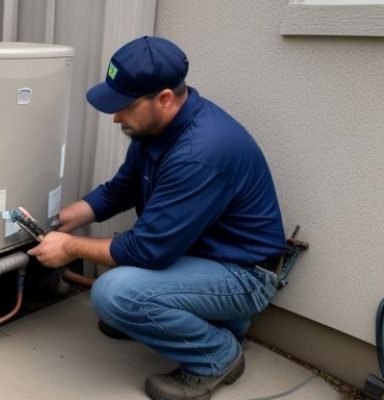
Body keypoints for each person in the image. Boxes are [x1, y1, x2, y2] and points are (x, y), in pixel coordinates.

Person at [27, 36, 286, 400]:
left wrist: (70, 247)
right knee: (122, 296)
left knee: (114, 294)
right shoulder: (157, 129)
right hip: (200, 255)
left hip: (242, 275)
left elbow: (148, 250)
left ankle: (218, 354)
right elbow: (121, 190)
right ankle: (203, 322)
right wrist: (67, 216)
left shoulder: (200, 152)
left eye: (123, 106)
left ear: (164, 98)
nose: (115, 116)